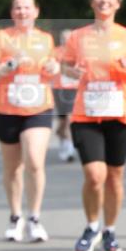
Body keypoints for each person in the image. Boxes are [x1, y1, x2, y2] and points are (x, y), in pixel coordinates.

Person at [61, 0, 126, 251]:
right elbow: (65, 66)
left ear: (117, 3)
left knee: (114, 176)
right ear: (92, 2)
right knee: (94, 175)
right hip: (86, 113)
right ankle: (91, 225)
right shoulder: (78, 36)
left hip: (120, 113)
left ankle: (110, 230)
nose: (104, 1)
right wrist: (74, 72)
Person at [0, 0, 59, 242]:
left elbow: (54, 67)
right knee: (13, 168)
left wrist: (53, 68)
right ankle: (16, 217)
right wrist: (8, 66)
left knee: (35, 161)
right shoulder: (1, 38)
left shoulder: (45, 39)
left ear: (36, 11)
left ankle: (34, 217)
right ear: (12, 13)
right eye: (17, 8)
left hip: (38, 108)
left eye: (27, 7)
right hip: (7, 108)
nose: (22, 12)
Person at [52, 28, 78, 162]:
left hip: (74, 88)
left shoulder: (78, 52)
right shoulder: (56, 52)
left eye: (69, 37)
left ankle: (69, 148)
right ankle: (62, 137)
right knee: (62, 120)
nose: (66, 40)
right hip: (59, 88)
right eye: (64, 37)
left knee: (69, 118)